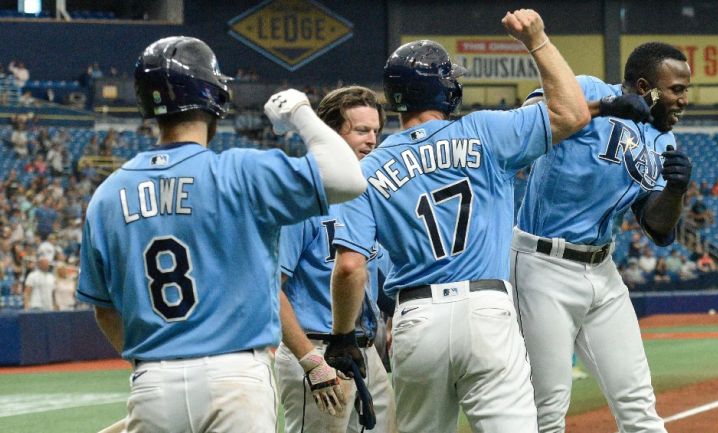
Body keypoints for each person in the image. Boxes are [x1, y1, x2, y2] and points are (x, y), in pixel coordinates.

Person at [322, 9, 649, 433]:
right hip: (486, 308)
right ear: (445, 90)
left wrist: (342, 335)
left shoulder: (367, 169)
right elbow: (571, 113)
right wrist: (537, 40)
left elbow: (350, 267)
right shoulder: (484, 132)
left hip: (416, 316)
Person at [77, 36, 365, 433]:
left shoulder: (107, 195)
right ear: (214, 96)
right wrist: (299, 111)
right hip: (235, 376)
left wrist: (157, 365)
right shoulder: (241, 171)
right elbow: (348, 178)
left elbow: (104, 309)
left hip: (153, 380)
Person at [512, 41, 692, 433]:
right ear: (646, 87)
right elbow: (526, 122)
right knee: (547, 410)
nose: (683, 99)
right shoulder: (592, 90)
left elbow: (658, 229)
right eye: (676, 89)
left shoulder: (662, 140)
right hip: (543, 264)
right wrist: (603, 109)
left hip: (602, 269)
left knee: (639, 405)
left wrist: (676, 191)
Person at [275, 86, 396, 433]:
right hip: (316, 346)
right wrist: (312, 363)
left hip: (363, 349)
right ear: (329, 133)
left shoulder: (368, 194)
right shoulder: (301, 197)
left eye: (376, 130)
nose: (372, 140)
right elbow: (272, 288)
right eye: (361, 130)